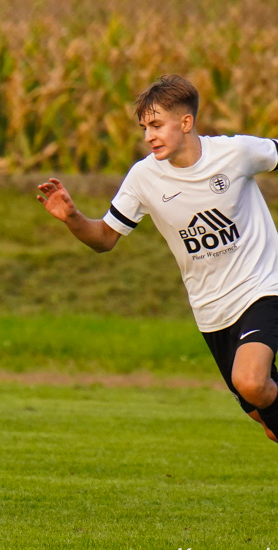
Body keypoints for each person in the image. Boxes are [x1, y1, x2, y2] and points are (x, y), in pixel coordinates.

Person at [37, 74, 278, 443]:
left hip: (262, 287)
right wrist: (72, 217)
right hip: (210, 311)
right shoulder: (143, 178)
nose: (148, 135)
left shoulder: (235, 153)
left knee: (251, 381)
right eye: (143, 127)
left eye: (156, 125)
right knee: (267, 420)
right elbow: (104, 239)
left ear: (185, 122)